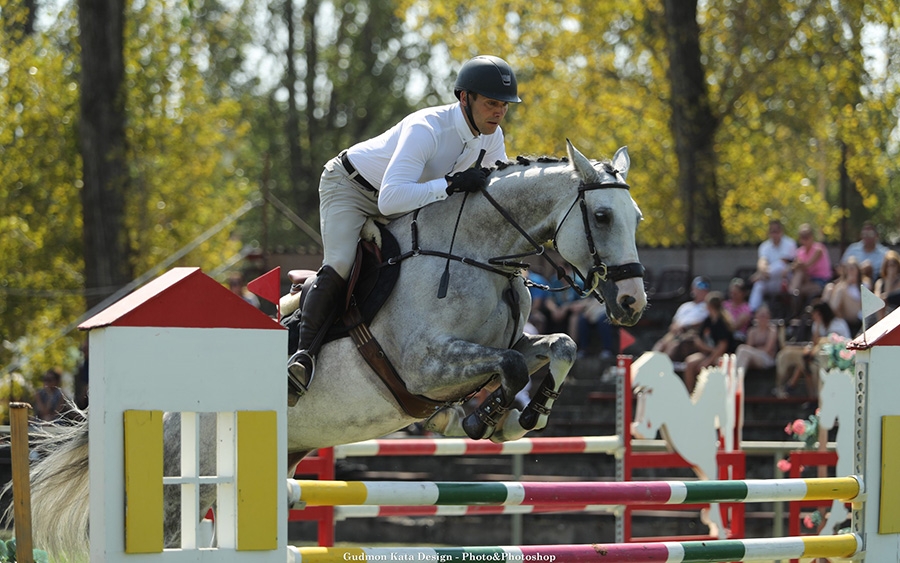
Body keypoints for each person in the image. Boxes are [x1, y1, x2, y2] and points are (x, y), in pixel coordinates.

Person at [287, 55, 521, 396]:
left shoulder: (492, 137)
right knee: (340, 262)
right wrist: (451, 185)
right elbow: (390, 199)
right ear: (464, 98)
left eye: (503, 105)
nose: (498, 112)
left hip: (409, 199)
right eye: (491, 103)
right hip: (352, 188)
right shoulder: (427, 128)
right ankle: (302, 358)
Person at [773, 300, 850, 399]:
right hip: (818, 356)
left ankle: (792, 385)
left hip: (837, 356)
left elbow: (845, 342)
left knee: (807, 363)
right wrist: (818, 324)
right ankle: (810, 395)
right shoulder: (817, 324)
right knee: (806, 363)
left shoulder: (838, 324)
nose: (813, 316)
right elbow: (815, 343)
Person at [683, 291, 736, 393]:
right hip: (708, 352)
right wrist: (708, 350)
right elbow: (699, 340)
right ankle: (690, 394)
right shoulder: (707, 320)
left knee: (717, 363)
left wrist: (708, 361)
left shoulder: (722, 322)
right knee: (690, 362)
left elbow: (722, 347)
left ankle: (720, 393)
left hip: (722, 355)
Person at [651, 276, 712, 362]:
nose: (700, 291)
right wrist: (675, 328)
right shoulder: (685, 306)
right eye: (698, 288)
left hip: (691, 334)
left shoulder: (708, 307)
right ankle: (652, 364)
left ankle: (663, 367)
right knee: (660, 345)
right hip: (676, 333)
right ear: (692, 289)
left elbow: (704, 323)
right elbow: (674, 323)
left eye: (703, 288)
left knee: (673, 346)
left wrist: (686, 326)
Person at [748, 219, 797, 313]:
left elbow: (785, 262)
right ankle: (751, 311)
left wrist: (760, 275)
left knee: (780, 265)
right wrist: (763, 271)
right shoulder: (765, 246)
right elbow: (762, 262)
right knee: (758, 285)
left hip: (785, 281)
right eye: (772, 231)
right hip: (768, 279)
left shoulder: (790, 243)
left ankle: (760, 276)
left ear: (781, 231)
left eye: (777, 231)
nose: (774, 234)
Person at [787, 223, 832, 315]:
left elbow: (808, 265)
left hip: (820, 281)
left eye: (807, 236)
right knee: (798, 273)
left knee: (799, 289)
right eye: (802, 236)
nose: (805, 239)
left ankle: (792, 294)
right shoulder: (800, 251)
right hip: (807, 280)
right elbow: (795, 268)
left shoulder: (819, 249)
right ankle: (792, 293)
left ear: (812, 236)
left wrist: (797, 265)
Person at [734, 304, 779, 377]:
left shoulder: (772, 330)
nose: (763, 318)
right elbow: (749, 347)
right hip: (754, 358)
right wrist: (755, 350)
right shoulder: (752, 331)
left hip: (767, 359)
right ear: (756, 317)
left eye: (765, 316)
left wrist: (754, 350)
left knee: (742, 350)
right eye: (761, 316)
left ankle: (735, 379)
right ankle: (736, 380)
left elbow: (767, 349)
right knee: (743, 352)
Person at [822, 258, 863, 334]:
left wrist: (846, 283)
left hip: (856, 315)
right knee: (829, 287)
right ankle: (824, 316)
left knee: (841, 290)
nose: (850, 271)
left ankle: (828, 315)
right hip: (841, 314)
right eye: (848, 269)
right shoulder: (842, 285)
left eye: (852, 268)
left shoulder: (863, 285)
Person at [722, 277, 752, 341]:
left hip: (738, 336)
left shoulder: (746, 308)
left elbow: (735, 326)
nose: (733, 295)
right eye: (731, 293)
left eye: (736, 293)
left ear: (743, 293)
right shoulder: (725, 304)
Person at [874, 250, 900, 319]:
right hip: (882, 315)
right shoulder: (880, 282)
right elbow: (878, 300)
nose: (891, 268)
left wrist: (892, 279)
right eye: (888, 265)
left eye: (893, 265)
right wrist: (889, 280)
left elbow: (891, 297)